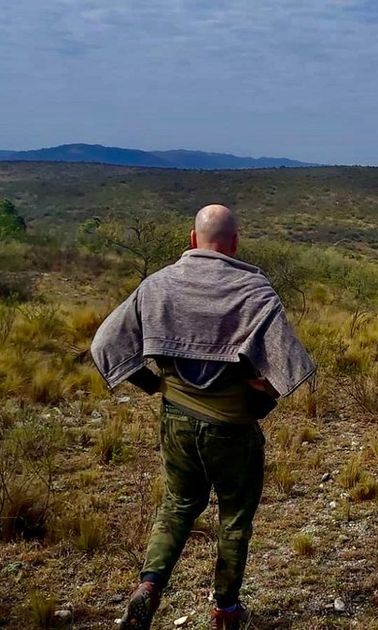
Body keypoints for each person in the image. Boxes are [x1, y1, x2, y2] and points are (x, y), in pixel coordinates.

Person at [91, 204, 315, 630]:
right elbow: (291, 368)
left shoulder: (157, 284)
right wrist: (263, 394)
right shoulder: (255, 292)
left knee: (177, 505)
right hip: (232, 429)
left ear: (193, 240)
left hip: (176, 419)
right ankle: (226, 610)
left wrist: (152, 384)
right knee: (234, 517)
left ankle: (150, 585)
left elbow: (104, 343)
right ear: (235, 243)